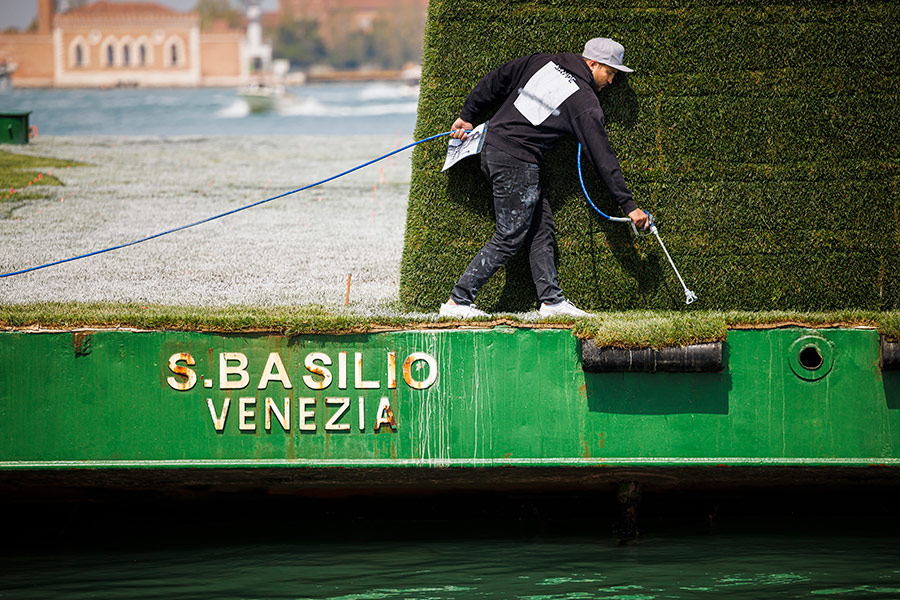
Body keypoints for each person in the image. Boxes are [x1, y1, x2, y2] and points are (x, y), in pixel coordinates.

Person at [439, 37, 649, 319]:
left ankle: (551, 302)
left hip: (492, 149)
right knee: (510, 235)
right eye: (609, 73)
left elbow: (496, 79)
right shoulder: (585, 101)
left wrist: (467, 115)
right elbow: (603, 158)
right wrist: (629, 205)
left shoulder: (542, 61)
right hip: (517, 161)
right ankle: (458, 302)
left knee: (541, 228)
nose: (611, 81)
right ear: (592, 63)